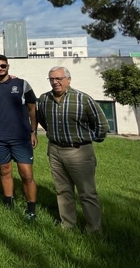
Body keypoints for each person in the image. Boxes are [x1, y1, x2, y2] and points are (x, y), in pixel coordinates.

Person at [37, 66, 109, 233]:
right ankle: (68, 225)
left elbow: (101, 125)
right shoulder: (44, 99)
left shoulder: (83, 99)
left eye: (59, 78)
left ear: (68, 79)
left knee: (87, 192)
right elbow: (43, 120)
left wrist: (88, 139)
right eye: (52, 79)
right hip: (55, 150)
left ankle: (94, 229)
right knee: (62, 190)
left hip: (79, 151)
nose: (55, 82)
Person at [0, 54, 38, 221]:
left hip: (21, 137)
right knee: (5, 171)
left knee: (27, 174)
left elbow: (32, 109)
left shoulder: (21, 84)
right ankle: (9, 204)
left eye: (3, 65)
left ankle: (31, 209)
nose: (0, 68)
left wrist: (33, 131)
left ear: (8, 66)